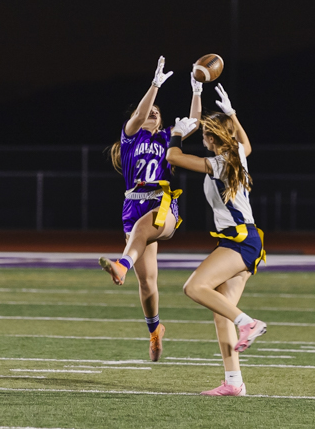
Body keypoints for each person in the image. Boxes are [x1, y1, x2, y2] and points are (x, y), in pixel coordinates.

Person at [166, 83, 267, 396]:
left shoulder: (221, 163)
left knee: (194, 287)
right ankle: (234, 383)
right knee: (220, 309)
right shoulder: (237, 156)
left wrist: (178, 133)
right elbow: (246, 143)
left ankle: (248, 323)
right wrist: (233, 114)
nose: (203, 140)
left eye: (205, 136)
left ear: (213, 138)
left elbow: (174, 157)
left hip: (238, 241)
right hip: (247, 239)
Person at [99, 56, 202, 361]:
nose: (153, 113)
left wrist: (197, 90)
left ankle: (121, 265)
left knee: (145, 229)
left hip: (163, 203)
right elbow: (142, 111)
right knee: (148, 283)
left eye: (158, 111)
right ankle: (155, 330)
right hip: (132, 205)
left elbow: (194, 122)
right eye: (148, 112)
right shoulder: (130, 137)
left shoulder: (167, 137)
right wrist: (155, 85)